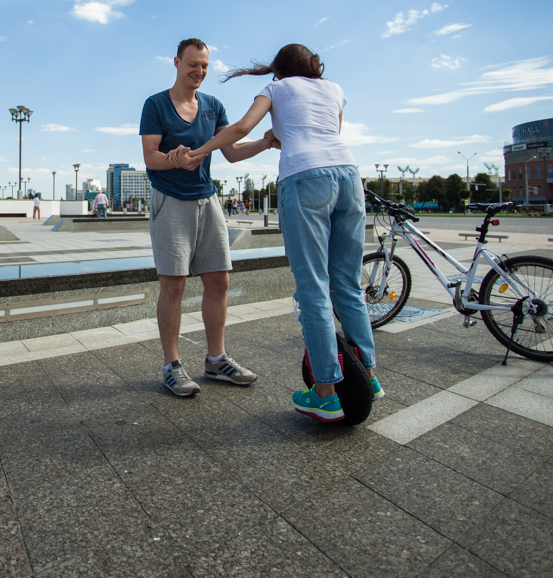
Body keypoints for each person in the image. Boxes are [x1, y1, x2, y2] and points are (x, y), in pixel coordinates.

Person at [174, 43, 383, 420]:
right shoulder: (334, 89)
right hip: (349, 176)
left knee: (313, 289)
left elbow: (241, 128)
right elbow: (329, 133)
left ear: (280, 71)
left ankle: (326, 393)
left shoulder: (277, 89)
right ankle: (369, 376)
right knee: (348, 284)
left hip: (305, 179)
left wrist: (200, 151)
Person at [140, 38, 276, 397]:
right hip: (170, 200)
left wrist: (264, 142)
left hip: (207, 199)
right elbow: (150, 157)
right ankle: (171, 365)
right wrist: (174, 158)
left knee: (219, 281)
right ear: (176, 63)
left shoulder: (212, 106)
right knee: (174, 284)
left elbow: (230, 152)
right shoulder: (156, 105)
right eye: (192, 65)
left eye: (204, 65)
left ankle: (216, 359)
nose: (199, 71)